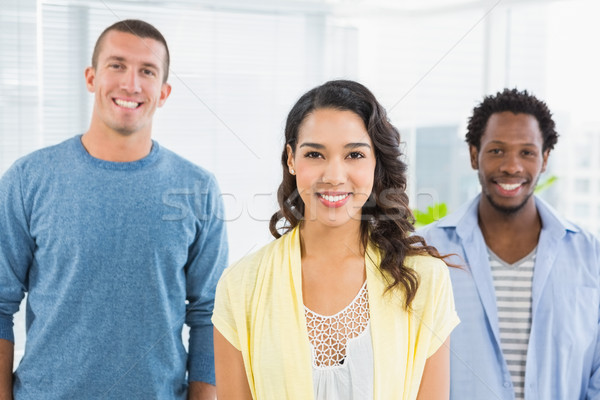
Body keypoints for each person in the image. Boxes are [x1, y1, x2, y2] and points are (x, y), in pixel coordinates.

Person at [0, 19, 227, 399]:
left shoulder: (198, 189)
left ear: (164, 91)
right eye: (117, 65)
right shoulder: (28, 179)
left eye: (147, 71)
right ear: (91, 77)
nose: (131, 84)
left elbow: (210, 315)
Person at [212, 80, 459, 399]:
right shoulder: (240, 285)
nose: (333, 175)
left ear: (375, 162)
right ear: (291, 159)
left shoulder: (425, 280)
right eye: (314, 154)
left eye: (354, 154)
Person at [418, 88, 600, 399]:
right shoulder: (427, 252)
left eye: (527, 152)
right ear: (474, 155)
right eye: (497, 151)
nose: (512, 166)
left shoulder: (590, 254)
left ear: (544, 159)